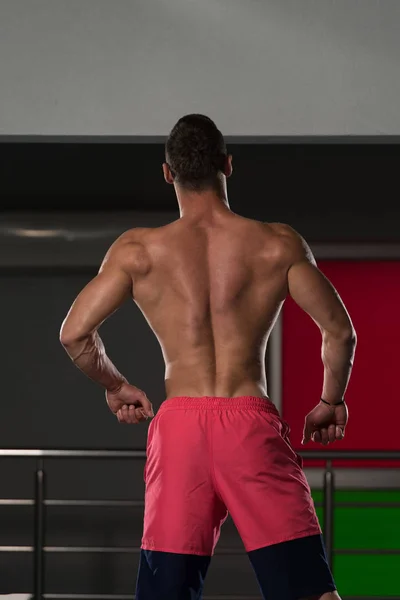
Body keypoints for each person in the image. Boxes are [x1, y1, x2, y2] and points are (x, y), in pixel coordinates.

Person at [60, 114, 356, 600]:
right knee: (308, 591)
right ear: (228, 165)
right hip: (249, 426)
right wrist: (330, 400)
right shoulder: (277, 244)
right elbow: (340, 332)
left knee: (165, 595)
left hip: (180, 432)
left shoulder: (138, 251)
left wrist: (116, 385)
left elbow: (75, 335)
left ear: (167, 173)